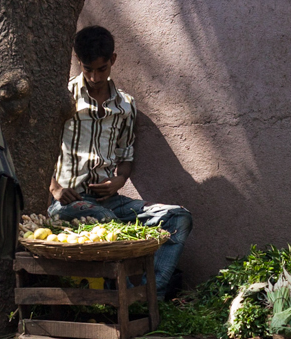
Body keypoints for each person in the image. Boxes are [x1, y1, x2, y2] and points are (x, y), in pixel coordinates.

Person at [49, 25, 192, 297]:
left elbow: (126, 156)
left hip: (110, 202)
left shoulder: (125, 105)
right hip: (68, 204)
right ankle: (127, 298)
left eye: (101, 69)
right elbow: (40, 152)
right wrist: (55, 188)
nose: (94, 76)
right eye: (88, 69)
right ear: (79, 62)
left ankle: (149, 296)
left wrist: (119, 180)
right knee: (106, 221)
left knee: (178, 218)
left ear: (112, 60)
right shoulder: (64, 97)